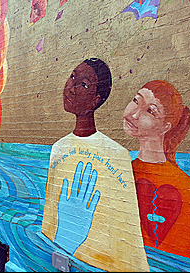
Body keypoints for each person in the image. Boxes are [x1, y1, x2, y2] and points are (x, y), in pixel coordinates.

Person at [42, 58, 149, 272]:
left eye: (83, 84)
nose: (71, 87)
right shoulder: (58, 149)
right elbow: (49, 222)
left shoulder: (117, 155)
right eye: (72, 77)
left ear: (96, 100)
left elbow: (129, 238)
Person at [123, 80, 190, 263]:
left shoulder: (183, 185)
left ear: (165, 127)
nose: (135, 114)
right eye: (136, 100)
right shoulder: (123, 170)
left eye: (150, 111)